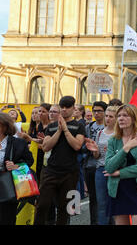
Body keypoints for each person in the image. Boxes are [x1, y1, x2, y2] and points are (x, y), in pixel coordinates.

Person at [34, 96, 86, 225]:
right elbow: (45, 147)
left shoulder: (78, 126)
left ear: (73, 108)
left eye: (67, 107)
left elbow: (77, 146)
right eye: (62, 107)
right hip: (51, 170)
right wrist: (58, 131)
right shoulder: (51, 126)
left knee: (64, 208)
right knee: (42, 205)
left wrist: (66, 130)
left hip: (70, 172)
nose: (64, 110)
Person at [104, 104, 137, 225]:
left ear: (134, 119)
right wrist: (126, 148)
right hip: (117, 188)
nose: (121, 118)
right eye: (119, 116)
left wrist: (120, 173)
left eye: (125, 115)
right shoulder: (113, 139)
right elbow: (109, 167)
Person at [85, 105, 118, 225]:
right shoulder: (100, 133)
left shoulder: (120, 133)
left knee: (114, 203)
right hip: (100, 169)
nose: (108, 119)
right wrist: (95, 150)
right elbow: (97, 156)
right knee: (101, 204)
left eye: (111, 116)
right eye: (107, 116)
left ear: (116, 118)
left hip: (115, 170)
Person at [0, 113, 34, 225]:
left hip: (8, 185)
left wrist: (16, 166)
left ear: (4, 126)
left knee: (7, 217)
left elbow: (29, 161)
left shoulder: (18, 143)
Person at [83, 100, 108, 225]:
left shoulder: (108, 128)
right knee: (93, 197)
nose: (96, 113)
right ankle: (94, 222)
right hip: (90, 165)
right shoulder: (88, 127)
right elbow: (82, 146)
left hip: (103, 165)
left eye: (99, 111)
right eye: (94, 111)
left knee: (104, 198)